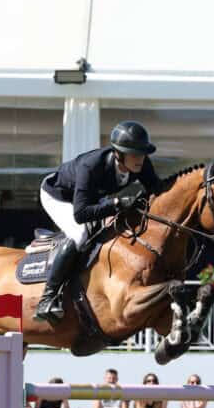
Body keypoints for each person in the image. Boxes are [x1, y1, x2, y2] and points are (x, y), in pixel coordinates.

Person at [34, 120, 163, 324]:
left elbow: (157, 191)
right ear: (119, 154)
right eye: (135, 154)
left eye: (143, 153)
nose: (141, 158)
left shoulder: (142, 164)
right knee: (79, 234)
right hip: (58, 196)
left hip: (90, 198)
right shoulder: (91, 166)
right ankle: (47, 298)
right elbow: (81, 214)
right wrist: (116, 203)